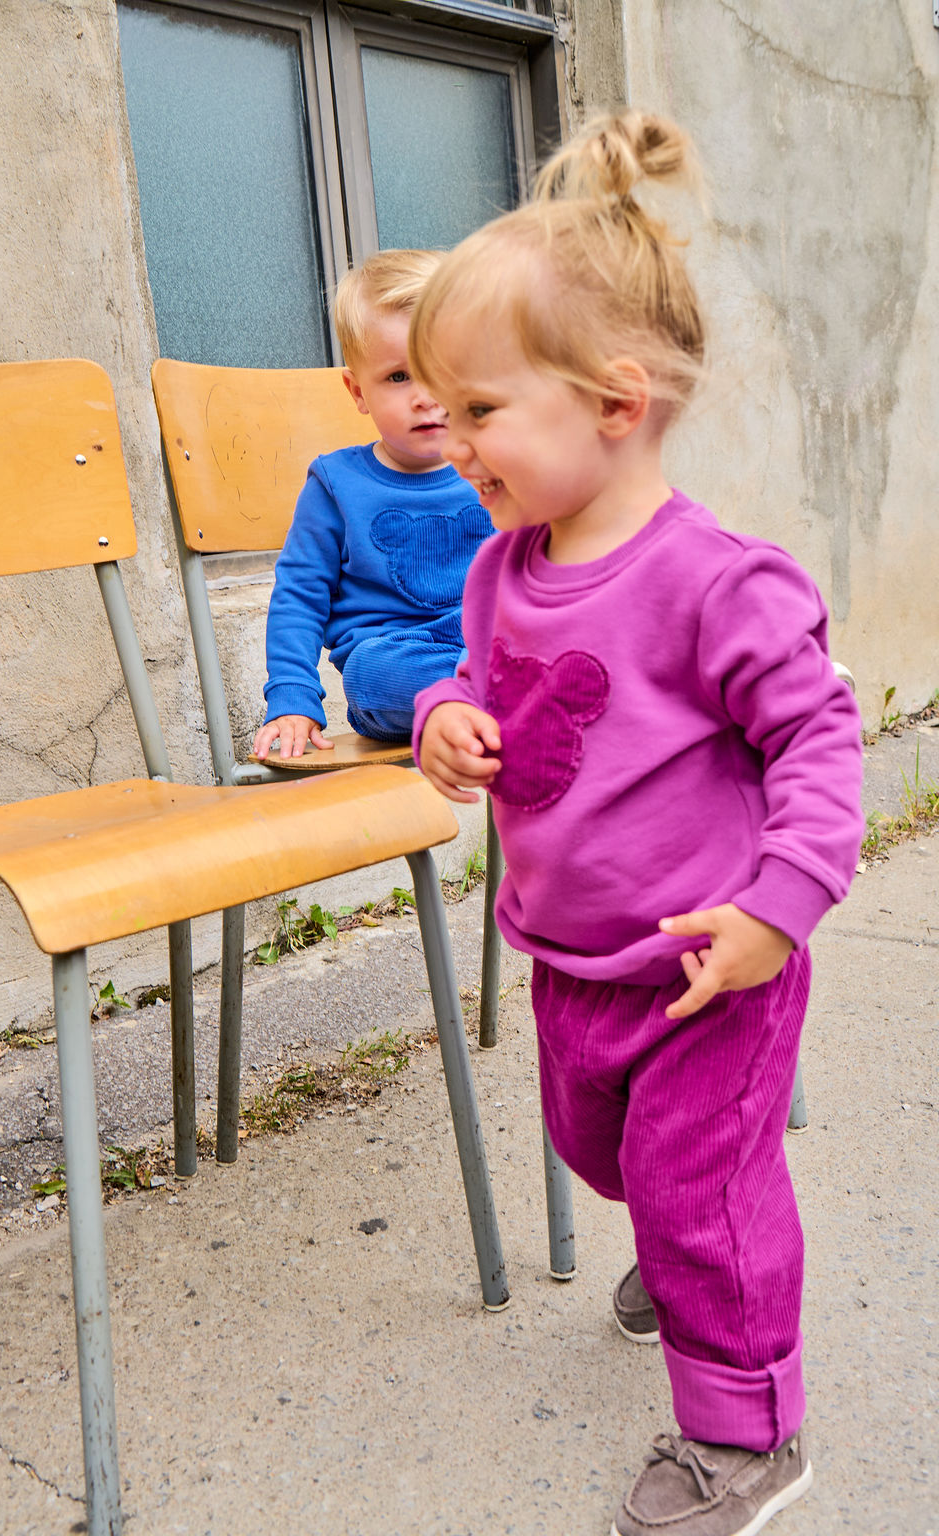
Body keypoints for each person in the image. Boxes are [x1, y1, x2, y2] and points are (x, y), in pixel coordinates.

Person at [408, 111, 863, 1536]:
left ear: (615, 402)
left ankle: (748, 1431)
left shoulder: (720, 581)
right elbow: (481, 681)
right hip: (571, 956)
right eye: (442, 402)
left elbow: (819, 739)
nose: (450, 433)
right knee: (603, 1154)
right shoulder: (502, 569)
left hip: (709, 957)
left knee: (696, 1185)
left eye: (481, 408)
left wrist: (775, 911)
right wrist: (446, 720)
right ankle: (683, 1252)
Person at [251, 249, 492, 760]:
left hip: (492, 644)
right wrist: (292, 697)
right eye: (399, 377)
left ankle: (514, 688)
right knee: (371, 676)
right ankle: (513, 694)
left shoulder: (500, 464)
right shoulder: (336, 483)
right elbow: (299, 595)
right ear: (357, 390)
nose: (425, 396)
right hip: (399, 661)